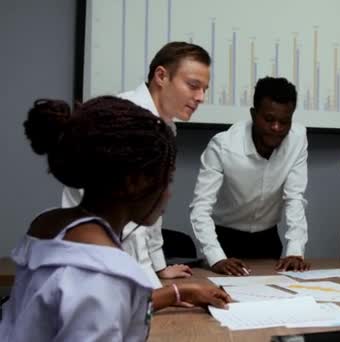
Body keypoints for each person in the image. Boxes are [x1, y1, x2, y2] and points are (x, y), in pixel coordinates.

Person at [0, 97, 229, 341]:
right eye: (167, 179)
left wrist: (177, 293)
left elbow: (75, 304)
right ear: (134, 182)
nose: (169, 192)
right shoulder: (106, 274)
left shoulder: (47, 225)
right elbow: (98, 295)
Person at [62, 41, 211, 288]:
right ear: (161, 76)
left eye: (204, 89)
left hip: (114, 256)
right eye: (193, 86)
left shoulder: (165, 125)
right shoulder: (126, 119)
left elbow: (149, 207)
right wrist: (150, 281)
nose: (200, 97)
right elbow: (129, 217)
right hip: (94, 257)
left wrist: (159, 265)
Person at [190, 77, 310, 275]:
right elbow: (200, 208)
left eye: (284, 121)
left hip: (268, 240)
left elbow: (294, 198)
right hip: (226, 240)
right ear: (254, 115)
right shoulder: (223, 146)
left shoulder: (297, 139)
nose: (277, 128)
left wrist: (295, 250)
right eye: (269, 120)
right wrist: (216, 257)